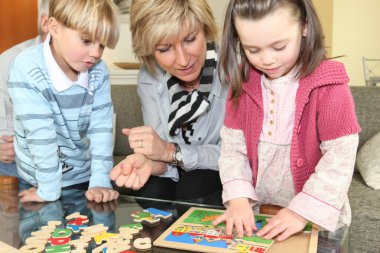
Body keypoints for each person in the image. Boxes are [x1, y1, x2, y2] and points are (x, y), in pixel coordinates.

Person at [212, 0, 361, 241]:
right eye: (253, 50)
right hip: (262, 215)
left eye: (279, 46)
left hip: (316, 219)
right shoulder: (242, 82)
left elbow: (340, 158)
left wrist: (300, 213)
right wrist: (238, 199)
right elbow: (232, 149)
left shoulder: (330, 86)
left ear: (304, 27)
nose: (267, 60)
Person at [110, 0, 228, 203]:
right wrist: (147, 160)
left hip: (222, 167)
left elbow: (237, 155)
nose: (183, 61)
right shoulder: (150, 75)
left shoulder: (233, 69)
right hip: (176, 167)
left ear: (205, 29)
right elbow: (161, 153)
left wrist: (171, 152)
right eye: (164, 49)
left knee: (194, 186)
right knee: (148, 188)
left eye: (190, 39)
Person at [8, 0, 120, 203]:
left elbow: (101, 128)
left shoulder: (99, 71)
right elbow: (41, 135)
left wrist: (100, 180)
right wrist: (48, 190)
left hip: (83, 176)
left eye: (101, 44)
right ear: (54, 28)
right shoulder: (26, 67)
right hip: (39, 179)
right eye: (86, 40)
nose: (96, 53)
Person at [0, 0, 50, 178]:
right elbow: (6, 144)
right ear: (47, 24)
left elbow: (92, 141)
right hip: (17, 167)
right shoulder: (8, 62)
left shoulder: (91, 66)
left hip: (72, 168)